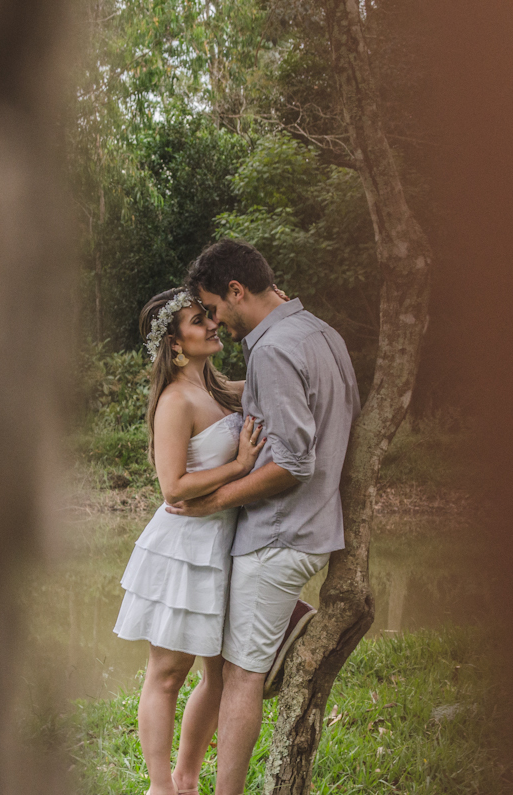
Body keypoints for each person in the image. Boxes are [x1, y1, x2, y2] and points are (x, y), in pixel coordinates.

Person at [166, 240, 361, 795]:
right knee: (233, 670)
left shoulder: (272, 349)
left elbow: (296, 462)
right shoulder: (322, 333)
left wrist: (215, 501)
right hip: (312, 529)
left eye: (214, 307)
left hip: (277, 536)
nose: (215, 321)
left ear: (236, 290)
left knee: (241, 679)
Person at [112, 287, 266, 795]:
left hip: (222, 546)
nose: (211, 324)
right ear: (175, 346)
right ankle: (161, 789)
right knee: (167, 674)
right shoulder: (176, 401)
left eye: (208, 316)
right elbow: (172, 486)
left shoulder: (219, 389)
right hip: (185, 549)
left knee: (218, 676)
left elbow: (274, 383)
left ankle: (187, 779)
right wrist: (240, 466)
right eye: (199, 320)